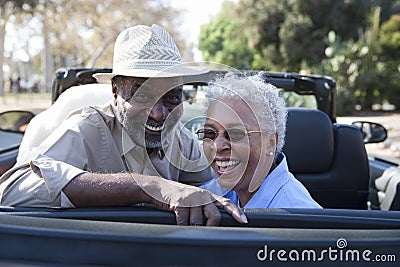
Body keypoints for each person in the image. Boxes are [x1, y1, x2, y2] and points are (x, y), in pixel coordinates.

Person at [0, 24, 247, 226]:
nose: (160, 115)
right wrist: (147, 188)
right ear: (116, 93)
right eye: (143, 97)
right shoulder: (88, 128)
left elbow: (219, 188)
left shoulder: (180, 139)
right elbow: (12, 190)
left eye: (172, 98)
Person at [198, 74, 321, 208]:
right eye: (209, 133)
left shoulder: (297, 215)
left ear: (270, 143)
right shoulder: (217, 193)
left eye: (235, 134)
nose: (218, 146)